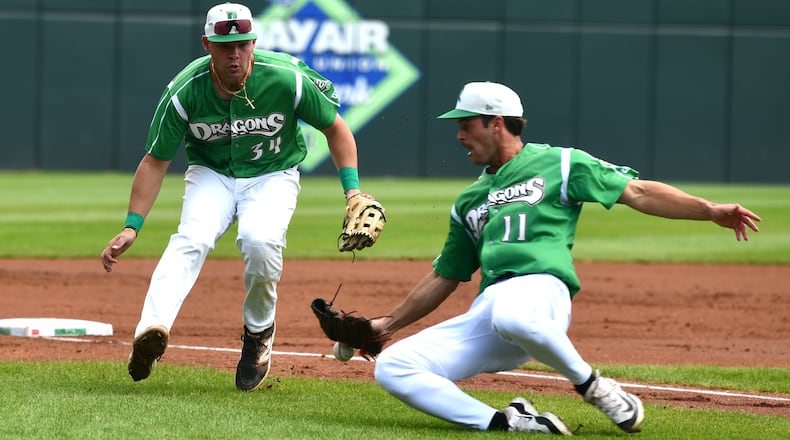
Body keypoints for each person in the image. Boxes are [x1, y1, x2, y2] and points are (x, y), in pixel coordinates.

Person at [369, 81, 761, 434]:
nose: (458, 136)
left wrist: (708, 209)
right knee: (394, 367)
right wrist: (385, 325)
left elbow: (637, 192)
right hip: (491, 312)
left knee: (513, 313)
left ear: (496, 123)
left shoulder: (561, 163)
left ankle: (595, 387)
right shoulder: (470, 199)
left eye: (466, 124)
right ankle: (509, 424)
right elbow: (445, 275)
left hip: (541, 294)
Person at [100, 2, 377, 392]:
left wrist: (352, 190)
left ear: (253, 42)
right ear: (207, 45)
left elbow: (335, 128)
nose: (234, 53)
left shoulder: (286, 78)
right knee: (191, 238)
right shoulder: (184, 92)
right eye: (224, 45)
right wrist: (132, 226)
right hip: (212, 173)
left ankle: (259, 333)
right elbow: (156, 160)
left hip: (272, 173)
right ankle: (151, 331)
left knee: (260, 241)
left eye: (242, 44)